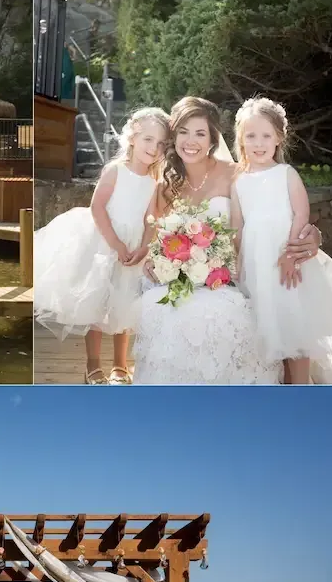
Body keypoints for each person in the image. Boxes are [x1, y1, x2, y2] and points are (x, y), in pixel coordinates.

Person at [132, 96, 318, 385]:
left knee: (231, 314)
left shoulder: (238, 174)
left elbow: (272, 214)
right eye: (183, 132)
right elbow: (156, 235)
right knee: (160, 309)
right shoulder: (165, 185)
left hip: (231, 276)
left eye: (200, 133)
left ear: (212, 139)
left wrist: (314, 235)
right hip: (184, 278)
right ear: (173, 138)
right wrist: (155, 259)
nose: (190, 141)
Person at [35, 108, 167, 384]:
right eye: (148, 139)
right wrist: (116, 244)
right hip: (106, 243)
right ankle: (93, 365)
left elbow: (151, 219)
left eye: (160, 143)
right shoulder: (116, 170)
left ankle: (120, 365)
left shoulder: (155, 181)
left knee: (126, 304)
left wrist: (144, 246)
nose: (153, 148)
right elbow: (97, 207)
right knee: (96, 304)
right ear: (132, 137)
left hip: (134, 248)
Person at [231, 97, 332, 384]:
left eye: (266, 136)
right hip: (257, 263)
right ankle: (282, 384)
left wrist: (290, 256)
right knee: (270, 325)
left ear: (278, 138)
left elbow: (301, 213)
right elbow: (237, 226)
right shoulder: (239, 181)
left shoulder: (285, 174)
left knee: (295, 325)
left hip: (287, 262)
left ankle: (300, 387)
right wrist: (237, 261)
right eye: (251, 136)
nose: (259, 143)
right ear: (241, 140)